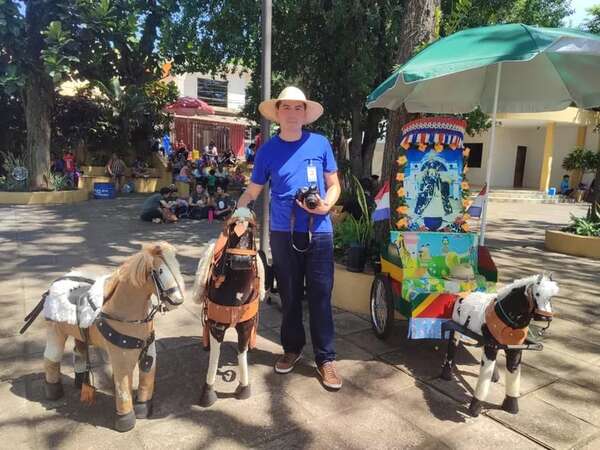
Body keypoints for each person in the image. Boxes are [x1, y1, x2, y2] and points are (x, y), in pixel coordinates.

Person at [236, 86, 342, 390]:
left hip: (318, 231)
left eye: (299, 108)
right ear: (278, 112)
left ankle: (326, 359)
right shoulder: (268, 150)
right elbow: (253, 190)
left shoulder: (320, 144)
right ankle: (292, 349)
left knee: (321, 297)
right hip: (283, 233)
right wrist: (237, 215)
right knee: (291, 296)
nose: (293, 113)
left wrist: (327, 204)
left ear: (305, 113)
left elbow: (334, 184)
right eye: (287, 108)